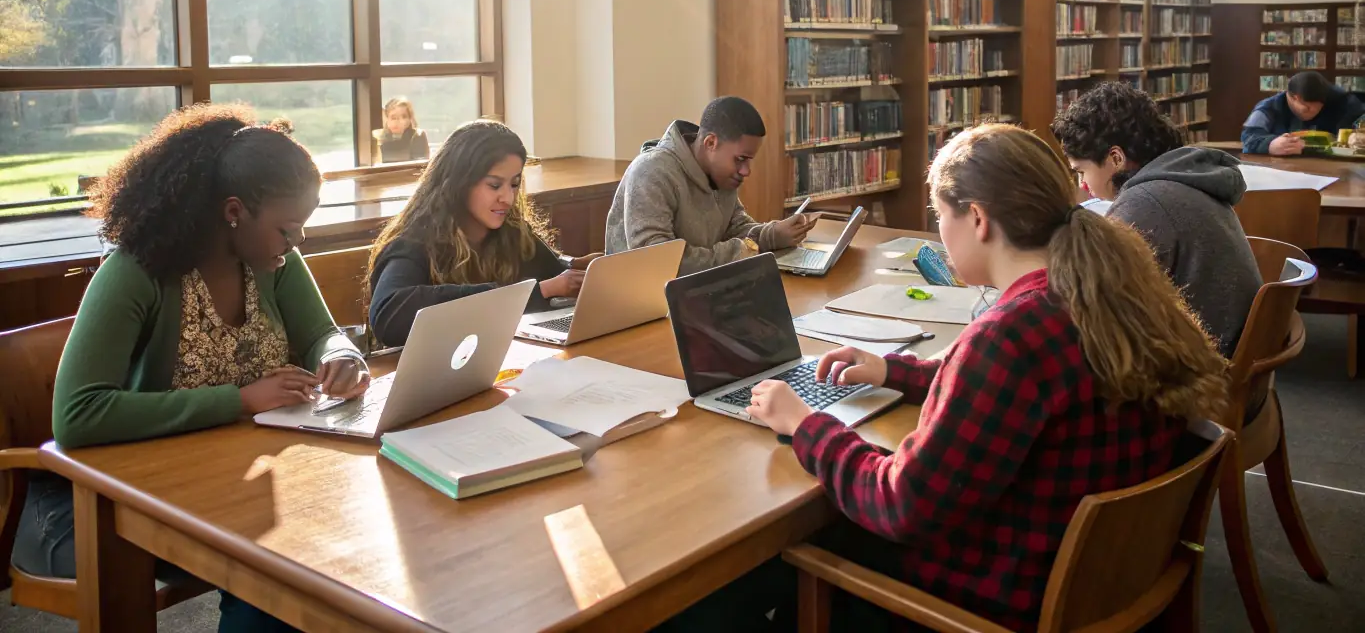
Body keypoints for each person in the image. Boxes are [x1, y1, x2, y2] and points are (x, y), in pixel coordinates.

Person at [746, 124, 1228, 632]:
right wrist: (898, 370)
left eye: (940, 216)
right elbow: (1012, 393)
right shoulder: (1107, 293)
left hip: (994, 600)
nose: (939, 232)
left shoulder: (1010, 337)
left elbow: (900, 504)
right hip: (1096, 578)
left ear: (977, 217)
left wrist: (806, 425)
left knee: (776, 560)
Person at [16, 104, 369, 633]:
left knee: (326, 557)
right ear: (234, 211)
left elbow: (321, 332)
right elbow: (78, 415)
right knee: (275, 578)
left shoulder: (272, 260)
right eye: (289, 229)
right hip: (119, 496)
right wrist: (240, 399)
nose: (298, 244)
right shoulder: (137, 273)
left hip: (227, 477)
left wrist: (340, 354)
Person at [1052, 82, 1261, 356]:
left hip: (1197, 371)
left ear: (1115, 158)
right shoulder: (1185, 179)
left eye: (1081, 171)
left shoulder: (1146, 202)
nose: (1084, 186)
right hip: (1229, 358)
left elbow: (1107, 305)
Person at [367, 119, 597, 346]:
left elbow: (552, 275)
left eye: (514, 184)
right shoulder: (413, 243)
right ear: (459, 183)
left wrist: (581, 268)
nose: (507, 198)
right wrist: (539, 291)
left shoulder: (512, 232)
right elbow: (390, 315)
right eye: (494, 186)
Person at [604, 96, 818, 276]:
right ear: (710, 143)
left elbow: (736, 228)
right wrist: (747, 250)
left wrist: (772, 234)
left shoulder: (720, 174)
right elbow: (660, 262)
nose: (746, 171)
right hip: (643, 309)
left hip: (699, 296)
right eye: (740, 159)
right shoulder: (651, 172)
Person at [1241, 70, 1365, 156]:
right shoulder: (1269, 107)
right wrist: (1270, 145)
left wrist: (1359, 134)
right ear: (1294, 98)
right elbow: (1249, 136)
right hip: (1283, 170)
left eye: (1319, 108)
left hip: (1334, 171)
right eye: (1307, 108)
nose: (1314, 112)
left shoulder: (1343, 101)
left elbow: (1361, 118)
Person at [374, 95, 430, 162]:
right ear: (387, 119)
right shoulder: (380, 139)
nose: (398, 121)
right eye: (393, 118)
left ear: (410, 119)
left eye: (404, 117)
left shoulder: (418, 135)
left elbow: (420, 166)